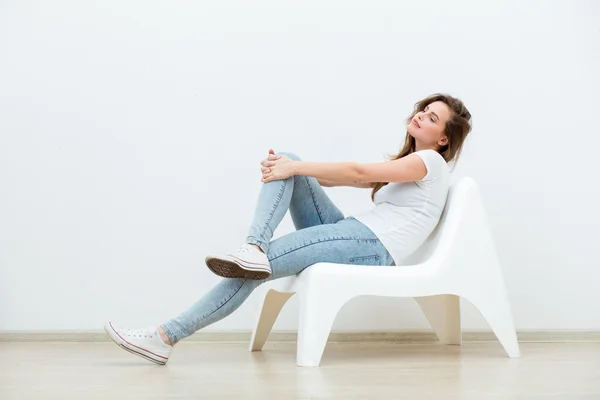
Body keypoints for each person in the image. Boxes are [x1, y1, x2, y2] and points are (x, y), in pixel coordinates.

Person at [104, 93, 472, 365]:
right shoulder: (411, 162)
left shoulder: (429, 161)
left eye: (433, 118)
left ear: (443, 139)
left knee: (263, 255)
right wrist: (289, 168)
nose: (422, 116)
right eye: (424, 110)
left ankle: (166, 335)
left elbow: (359, 173)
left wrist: (294, 171)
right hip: (352, 233)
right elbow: (347, 181)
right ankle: (253, 246)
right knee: (290, 161)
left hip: (369, 244)